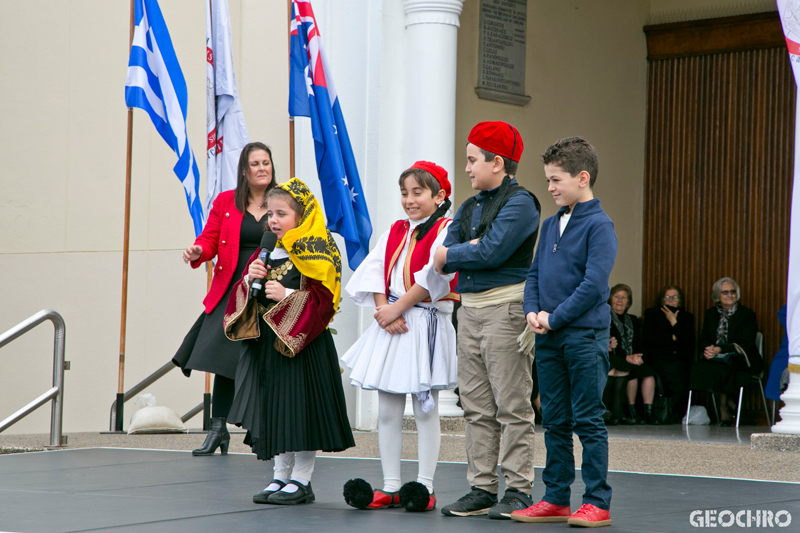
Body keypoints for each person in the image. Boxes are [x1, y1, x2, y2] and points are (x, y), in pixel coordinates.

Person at [223, 178, 355, 504]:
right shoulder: (266, 250)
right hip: (269, 343)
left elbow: (327, 301)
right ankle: (279, 476)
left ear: (302, 215)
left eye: (281, 213)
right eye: (270, 213)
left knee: (301, 412)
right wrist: (248, 280)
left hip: (303, 342)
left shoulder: (318, 248)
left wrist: (288, 295)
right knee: (277, 411)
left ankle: (302, 479)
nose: (273, 220)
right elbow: (246, 297)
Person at [433, 121, 541, 519]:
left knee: (512, 406)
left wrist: (463, 250)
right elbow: (442, 255)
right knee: (476, 407)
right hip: (471, 310)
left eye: (472, 160)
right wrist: (465, 249)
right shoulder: (468, 205)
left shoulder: (522, 203)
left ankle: (518, 489)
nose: (466, 168)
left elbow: (491, 253)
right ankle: (481, 488)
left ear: (498, 163)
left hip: (505, 309)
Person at [341, 161, 458, 512]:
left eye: (417, 192)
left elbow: (433, 278)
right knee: (388, 410)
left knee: (425, 409)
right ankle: (391, 484)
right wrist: (384, 309)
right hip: (392, 324)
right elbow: (376, 269)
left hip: (422, 323)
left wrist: (397, 309)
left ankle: (424, 486)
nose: (409, 200)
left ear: (439, 195)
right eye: (404, 193)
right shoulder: (394, 230)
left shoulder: (447, 229)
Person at [512, 137, 616, 528]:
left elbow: (593, 286)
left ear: (582, 177)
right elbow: (534, 273)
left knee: (588, 419)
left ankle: (597, 502)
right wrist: (531, 312)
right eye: (548, 180)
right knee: (554, 419)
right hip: (549, 336)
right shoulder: (550, 223)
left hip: (583, 337)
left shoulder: (600, 226)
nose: (551, 187)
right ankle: (555, 498)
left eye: (556, 180)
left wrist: (553, 318)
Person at [172, 142, 276, 456]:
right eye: (255, 163)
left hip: (271, 286)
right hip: (233, 287)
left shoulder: (285, 200)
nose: (262, 168)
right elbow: (209, 239)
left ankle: (263, 430)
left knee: (264, 359)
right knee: (223, 357)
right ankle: (218, 429)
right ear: (244, 170)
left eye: (266, 163)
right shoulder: (226, 201)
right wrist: (198, 251)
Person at [689, 277, 762, 426]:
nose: (730, 295)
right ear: (718, 295)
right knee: (698, 369)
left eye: (732, 291)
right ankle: (729, 402)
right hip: (716, 358)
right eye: (725, 292)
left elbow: (746, 344)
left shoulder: (747, 315)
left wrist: (720, 349)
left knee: (723, 370)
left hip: (742, 358)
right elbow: (704, 338)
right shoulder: (710, 314)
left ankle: (723, 408)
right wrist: (709, 349)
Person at [606, 284, 657, 425]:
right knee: (623, 367)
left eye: (624, 297)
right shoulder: (605, 317)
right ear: (610, 299)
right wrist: (626, 357)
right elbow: (610, 344)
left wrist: (638, 356)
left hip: (632, 359)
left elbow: (640, 342)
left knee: (648, 372)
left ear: (628, 302)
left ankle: (647, 413)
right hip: (617, 358)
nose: (620, 300)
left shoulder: (633, 320)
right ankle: (625, 412)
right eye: (616, 296)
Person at [643, 284, 695, 422]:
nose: (671, 300)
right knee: (671, 370)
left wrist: (674, 322)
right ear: (662, 299)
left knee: (684, 371)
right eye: (667, 297)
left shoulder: (687, 317)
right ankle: (668, 412)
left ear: (680, 300)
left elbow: (688, 341)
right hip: (657, 356)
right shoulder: (652, 314)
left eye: (675, 297)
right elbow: (650, 338)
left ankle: (677, 413)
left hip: (679, 357)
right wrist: (673, 337)